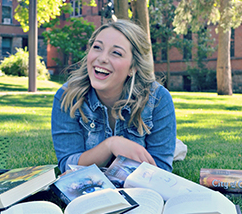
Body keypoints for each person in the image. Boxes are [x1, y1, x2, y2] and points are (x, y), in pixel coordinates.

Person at [51, 19, 176, 173]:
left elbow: (161, 170)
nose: (102, 58)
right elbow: (67, 165)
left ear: (133, 67)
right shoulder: (67, 97)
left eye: (116, 53)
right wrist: (111, 145)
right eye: (97, 47)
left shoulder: (158, 99)